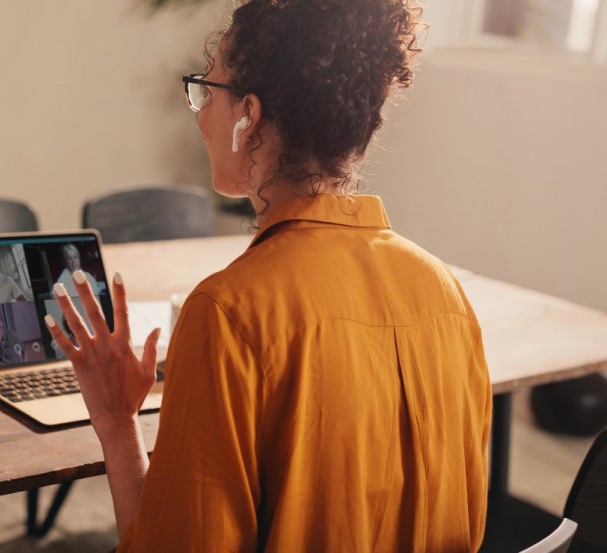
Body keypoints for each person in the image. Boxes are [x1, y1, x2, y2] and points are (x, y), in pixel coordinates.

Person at [45, 1, 492, 551]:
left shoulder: (230, 311)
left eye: (207, 92)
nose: (199, 114)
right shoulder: (444, 293)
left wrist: (117, 424)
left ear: (247, 117)